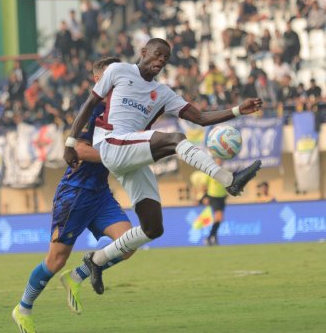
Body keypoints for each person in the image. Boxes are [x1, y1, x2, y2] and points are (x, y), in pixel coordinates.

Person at [63, 38, 263, 295]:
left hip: (130, 155)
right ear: (143, 52)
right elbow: (90, 103)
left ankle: (96, 261)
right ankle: (229, 180)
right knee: (175, 139)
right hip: (111, 144)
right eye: (157, 55)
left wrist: (237, 110)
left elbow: (200, 118)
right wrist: (70, 141)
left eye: (165, 59)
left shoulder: (163, 93)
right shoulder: (118, 70)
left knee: (153, 228)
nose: (160, 61)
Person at [12, 57, 135, 333]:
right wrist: (117, 156)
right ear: (98, 80)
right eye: (112, 77)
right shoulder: (93, 111)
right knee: (56, 259)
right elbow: (79, 149)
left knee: (128, 242)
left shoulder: (120, 110)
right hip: (75, 193)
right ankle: (23, 308)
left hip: (100, 194)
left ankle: (78, 276)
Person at [200, 158, 228, 246]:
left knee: (219, 218)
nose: (219, 161)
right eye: (218, 160)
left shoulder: (225, 172)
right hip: (213, 196)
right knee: (219, 217)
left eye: (221, 160)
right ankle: (209, 238)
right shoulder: (210, 172)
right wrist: (205, 197)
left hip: (222, 197)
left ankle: (213, 237)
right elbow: (204, 186)